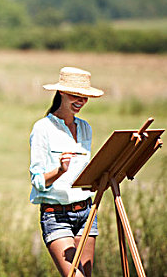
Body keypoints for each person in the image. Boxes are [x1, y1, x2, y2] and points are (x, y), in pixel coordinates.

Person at [29, 67, 104, 277]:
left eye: (84, 97)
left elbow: (85, 174)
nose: (80, 102)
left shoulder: (86, 128)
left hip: (86, 212)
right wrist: (60, 171)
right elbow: (37, 181)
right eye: (75, 96)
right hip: (56, 215)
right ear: (61, 92)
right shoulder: (42, 128)